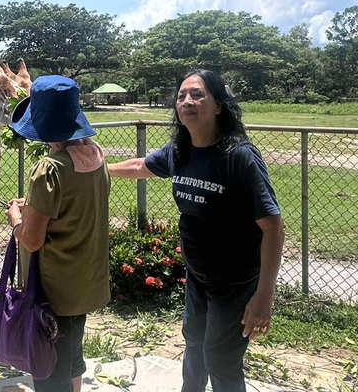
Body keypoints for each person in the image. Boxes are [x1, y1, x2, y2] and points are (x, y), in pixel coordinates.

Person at [108, 69, 285, 392]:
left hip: (234, 282)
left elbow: (273, 226)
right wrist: (95, 172)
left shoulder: (238, 157)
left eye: (197, 94)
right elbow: (140, 166)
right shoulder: (180, 150)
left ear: (218, 105)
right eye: (181, 96)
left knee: (220, 359)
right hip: (198, 277)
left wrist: (264, 296)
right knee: (194, 347)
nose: (187, 101)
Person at [6, 75, 111, 392]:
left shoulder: (49, 169)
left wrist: (15, 218)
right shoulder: (96, 155)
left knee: (49, 370)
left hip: (54, 292)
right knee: (72, 354)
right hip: (86, 284)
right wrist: (37, 206)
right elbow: (72, 205)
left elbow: (32, 239)